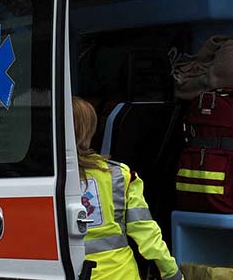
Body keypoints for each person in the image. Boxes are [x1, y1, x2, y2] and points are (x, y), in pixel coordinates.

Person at [73, 97, 184, 280]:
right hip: (119, 274)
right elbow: (146, 231)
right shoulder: (120, 175)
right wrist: (171, 272)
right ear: (89, 130)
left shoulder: (42, 180)